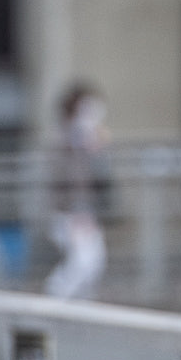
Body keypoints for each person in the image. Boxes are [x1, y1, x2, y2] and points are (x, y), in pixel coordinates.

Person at [44, 83, 109, 298]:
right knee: (85, 262)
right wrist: (77, 212)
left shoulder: (84, 139)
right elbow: (70, 179)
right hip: (71, 213)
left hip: (81, 211)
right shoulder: (68, 139)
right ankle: (54, 300)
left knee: (93, 261)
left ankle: (79, 309)